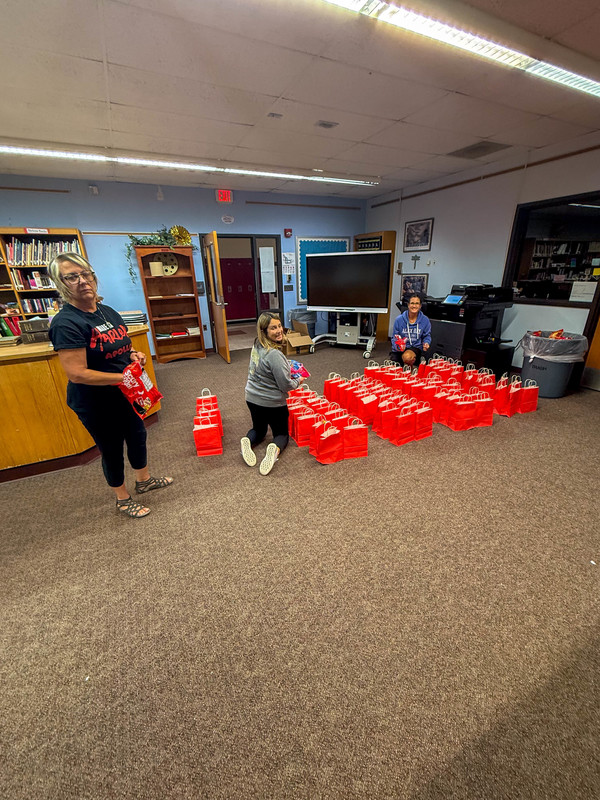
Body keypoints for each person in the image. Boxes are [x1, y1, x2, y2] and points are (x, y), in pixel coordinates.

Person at [48, 252, 173, 518]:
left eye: (86, 274)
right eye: (72, 277)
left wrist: (134, 355)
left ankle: (144, 480)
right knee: (112, 448)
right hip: (95, 401)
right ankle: (122, 498)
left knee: (138, 435)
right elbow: (77, 373)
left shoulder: (108, 311)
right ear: (61, 284)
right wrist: (122, 378)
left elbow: (121, 348)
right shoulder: (66, 322)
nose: (82, 281)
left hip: (126, 394)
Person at [241, 312, 305, 475]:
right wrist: (299, 381)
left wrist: (283, 367)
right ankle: (273, 449)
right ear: (264, 331)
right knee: (282, 434)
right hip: (272, 403)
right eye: (273, 328)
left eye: (279, 326)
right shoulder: (275, 355)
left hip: (252, 397)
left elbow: (265, 369)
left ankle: (247, 441)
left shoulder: (257, 344)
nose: (279, 330)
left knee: (259, 430)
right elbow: (285, 385)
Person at [390, 294, 432, 367]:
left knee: (407, 357)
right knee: (393, 368)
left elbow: (427, 336)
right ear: (408, 305)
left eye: (417, 303)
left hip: (415, 347)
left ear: (420, 306)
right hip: (400, 348)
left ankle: (411, 367)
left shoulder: (425, 320)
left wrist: (426, 343)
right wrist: (398, 346)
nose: (414, 306)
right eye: (412, 303)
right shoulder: (399, 320)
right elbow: (394, 337)